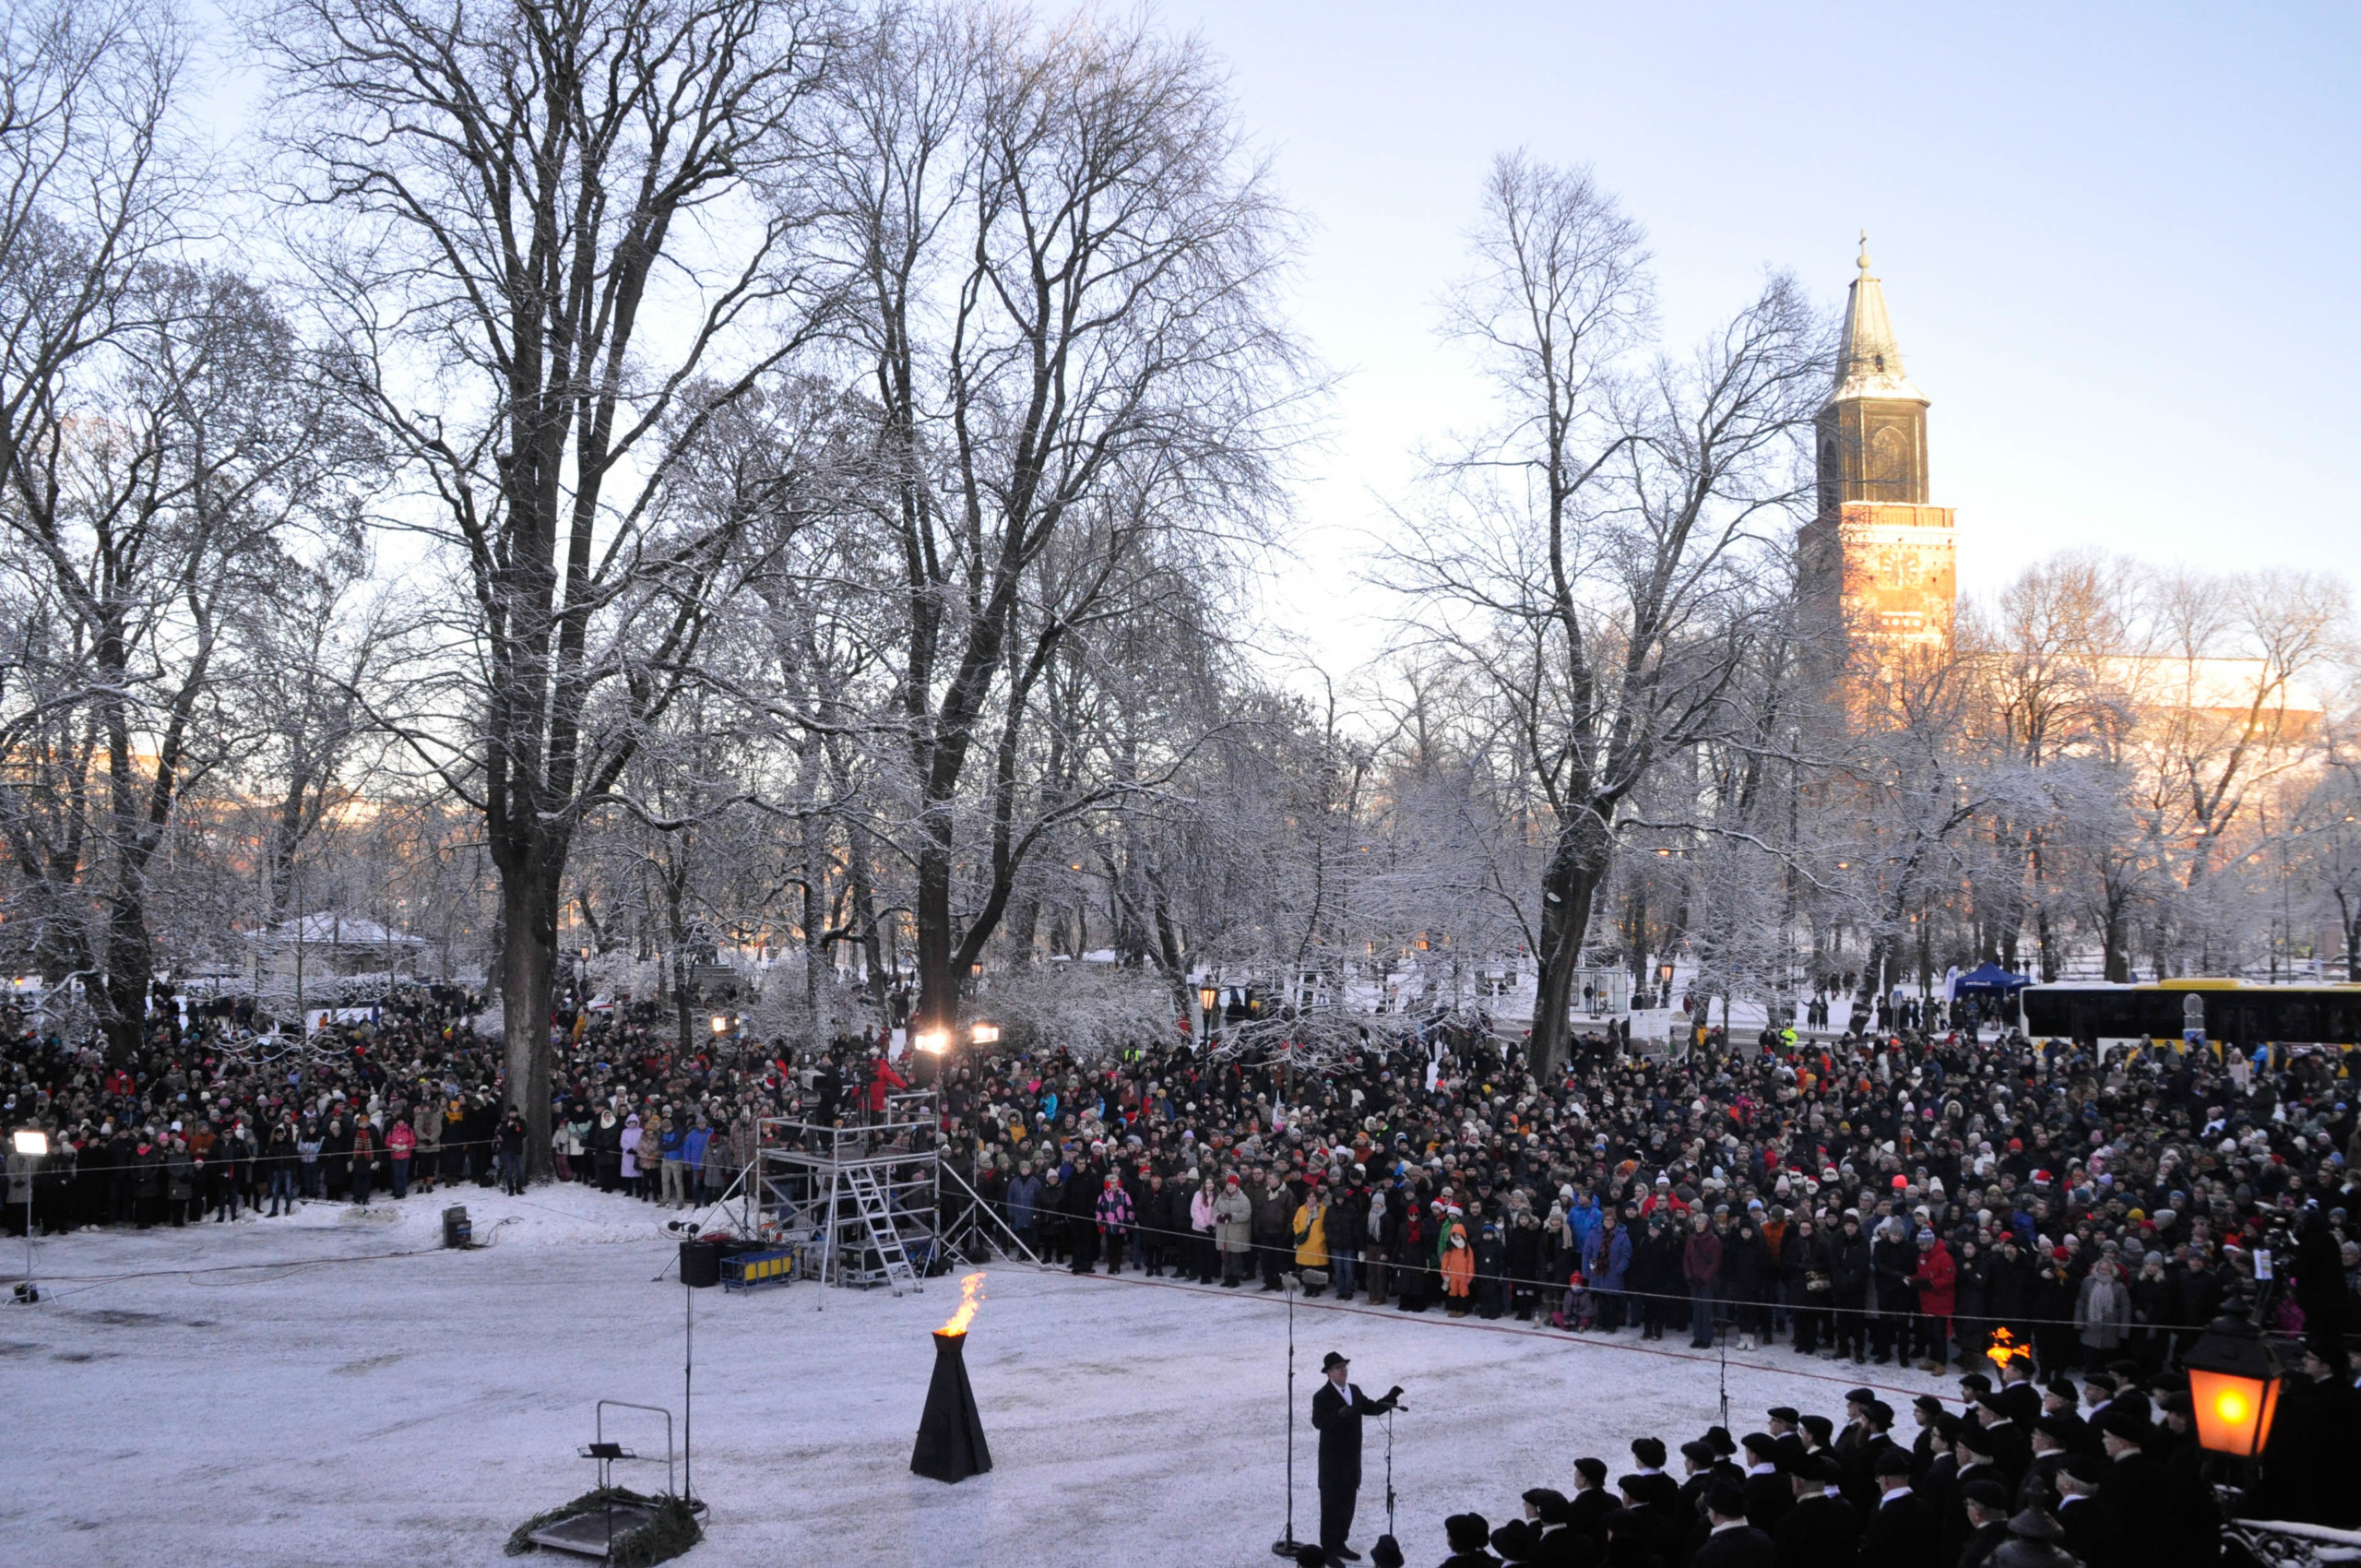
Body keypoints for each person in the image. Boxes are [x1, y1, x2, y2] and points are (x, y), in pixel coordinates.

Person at [1310, 1350, 1401, 1563]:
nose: (1343, 1370)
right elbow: (1318, 1422)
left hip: (1352, 1460)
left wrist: (1389, 1399)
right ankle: (1329, 1549)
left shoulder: (1354, 1390)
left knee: (1347, 1505)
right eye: (1338, 1368)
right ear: (1329, 1373)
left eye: (1344, 1367)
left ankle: (1340, 1543)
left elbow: (1370, 1407)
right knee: (1331, 1506)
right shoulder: (1321, 1396)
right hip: (1332, 1462)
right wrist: (1337, 1416)